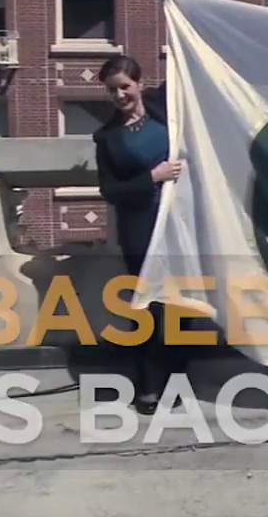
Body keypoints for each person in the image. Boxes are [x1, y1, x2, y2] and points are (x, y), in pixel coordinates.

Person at [93, 55, 182, 415]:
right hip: (141, 232)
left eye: (125, 87)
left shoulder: (165, 107)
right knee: (149, 310)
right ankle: (147, 386)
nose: (119, 95)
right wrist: (152, 178)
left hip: (179, 225)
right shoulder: (107, 137)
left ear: (140, 84)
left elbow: (191, 68)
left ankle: (175, 380)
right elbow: (110, 191)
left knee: (179, 309)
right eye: (112, 90)